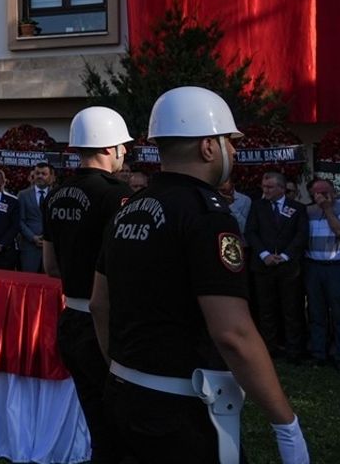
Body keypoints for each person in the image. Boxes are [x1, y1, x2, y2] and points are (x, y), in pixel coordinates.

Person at [90, 86, 308, 464]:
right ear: (208, 147)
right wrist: (285, 423)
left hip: (122, 394)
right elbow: (233, 334)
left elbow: (98, 304)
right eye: (229, 141)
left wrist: (124, 369)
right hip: (182, 413)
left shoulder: (128, 208)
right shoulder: (207, 216)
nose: (235, 152)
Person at [42, 106, 133, 463]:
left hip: (70, 321)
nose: (124, 153)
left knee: (97, 422)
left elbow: (50, 266)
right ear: (110, 148)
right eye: (122, 147)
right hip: (107, 323)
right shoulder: (117, 195)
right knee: (123, 430)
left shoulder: (55, 194)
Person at [245, 172, 308, 362]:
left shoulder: (297, 208)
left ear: (281, 188)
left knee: (292, 309)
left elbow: (301, 234)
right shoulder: (257, 207)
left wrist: (285, 255)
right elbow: (251, 232)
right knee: (266, 310)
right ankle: (269, 350)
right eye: (264, 187)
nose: (266, 190)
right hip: (263, 266)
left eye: (270, 187)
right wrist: (264, 255)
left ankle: (294, 351)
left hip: (288, 268)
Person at [302, 177, 340, 369]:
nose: (322, 196)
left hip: (337, 268)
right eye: (318, 193)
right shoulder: (308, 211)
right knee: (316, 313)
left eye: (326, 192)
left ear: (333, 191)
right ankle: (318, 354)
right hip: (314, 267)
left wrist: (327, 209)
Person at [16, 162, 54, 272]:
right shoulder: (23, 195)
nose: (40, 176)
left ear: (51, 176)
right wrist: (33, 237)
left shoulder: (56, 193)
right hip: (29, 247)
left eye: (44, 173)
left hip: (51, 247)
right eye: (37, 173)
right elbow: (20, 220)